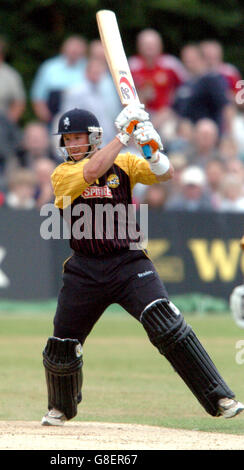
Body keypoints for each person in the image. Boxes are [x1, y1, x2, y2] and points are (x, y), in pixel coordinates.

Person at [41, 105, 243, 426]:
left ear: (93, 137)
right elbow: (92, 172)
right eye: (67, 139)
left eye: (78, 137)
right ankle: (61, 408)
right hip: (84, 269)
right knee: (62, 346)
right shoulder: (62, 174)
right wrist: (125, 134)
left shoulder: (124, 162)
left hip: (129, 263)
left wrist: (149, 144)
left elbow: (165, 173)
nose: (71, 144)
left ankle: (219, 395)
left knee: (167, 325)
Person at [31, 36, 87, 125]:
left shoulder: (89, 68)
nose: (74, 51)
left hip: (82, 119)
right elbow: (38, 96)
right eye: (72, 48)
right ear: (64, 49)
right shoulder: (50, 67)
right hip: (53, 117)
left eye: (78, 48)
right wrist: (47, 119)